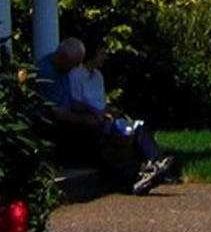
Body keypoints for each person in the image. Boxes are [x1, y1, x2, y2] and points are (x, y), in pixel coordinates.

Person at [43, 37, 177, 193]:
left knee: (136, 127)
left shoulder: (79, 74)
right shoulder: (58, 74)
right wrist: (88, 118)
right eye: (102, 53)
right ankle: (135, 175)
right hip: (64, 126)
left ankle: (156, 164)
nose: (76, 67)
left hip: (95, 117)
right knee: (100, 139)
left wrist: (100, 111)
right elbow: (61, 113)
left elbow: (75, 103)